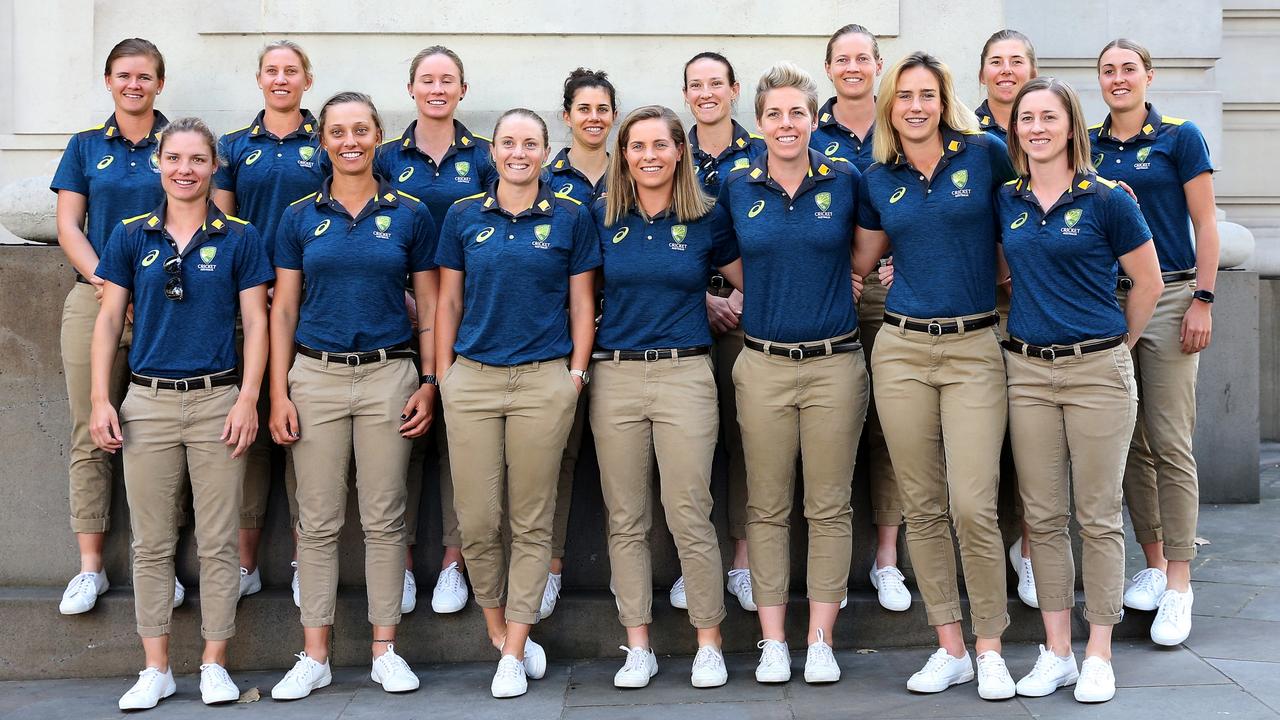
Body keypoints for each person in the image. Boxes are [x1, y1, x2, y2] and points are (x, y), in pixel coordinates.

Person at [88, 116, 273, 709]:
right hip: (147, 402)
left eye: (197, 160)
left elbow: (259, 323)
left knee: (218, 541)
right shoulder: (129, 236)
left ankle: (214, 662)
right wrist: (101, 398)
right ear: (158, 164)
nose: (186, 170)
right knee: (151, 543)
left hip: (218, 399)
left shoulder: (240, 237)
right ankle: (156, 667)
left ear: (214, 165)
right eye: (175, 159)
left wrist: (249, 396)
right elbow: (110, 320)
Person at [853, 51, 1017, 699]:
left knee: (974, 505)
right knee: (922, 506)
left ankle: (992, 647)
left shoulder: (986, 155)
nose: (915, 106)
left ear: (944, 99)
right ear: (890, 105)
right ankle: (950, 647)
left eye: (927, 94)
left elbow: (1021, 236)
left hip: (976, 346)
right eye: (904, 96)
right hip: (901, 353)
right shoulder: (878, 177)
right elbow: (859, 260)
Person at [268, 91, 438, 700]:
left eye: (361, 130)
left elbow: (431, 307)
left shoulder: (411, 213)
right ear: (324, 141)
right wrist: (277, 391)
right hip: (313, 375)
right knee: (315, 521)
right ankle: (314, 653)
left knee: (386, 517)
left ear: (377, 137)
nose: (349, 141)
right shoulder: (297, 217)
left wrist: (429, 379)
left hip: (388, 373)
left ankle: (384, 649)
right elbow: (283, 308)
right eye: (337, 131)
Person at [998, 76, 1163, 704]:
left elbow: (1146, 282)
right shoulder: (1006, 199)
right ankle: (1057, 652)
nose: (1036, 127)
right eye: (1026, 118)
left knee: (1096, 516)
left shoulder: (1107, 199)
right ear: (1015, 131)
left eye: (1048, 117)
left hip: (1098, 370)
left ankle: (1099, 652)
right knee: (1042, 517)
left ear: (1072, 127)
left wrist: (1119, 347)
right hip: (1029, 373)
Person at [434, 108, 600, 698]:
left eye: (530, 143)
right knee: (478, 521)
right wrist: (443, 377)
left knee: (532, 520)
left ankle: (512, 651)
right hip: (472, 380)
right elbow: (446, 305)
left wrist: (575, 375)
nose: (519, 153)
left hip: (542, 382)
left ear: (544, 150)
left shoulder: (571, 218)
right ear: (493, 151)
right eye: (508, 143)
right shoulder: (460, 217)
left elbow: (583, 304)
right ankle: (501, 631)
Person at [721, 62, 868, 685]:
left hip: (836, 364)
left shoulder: (846, 179)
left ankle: (822, 639)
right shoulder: (735, 185)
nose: (786, 124)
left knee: (830, 506)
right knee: (768, 505)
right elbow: (725, 257)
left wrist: (827, 285)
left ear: (814, 119)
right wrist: (779, 290)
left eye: (797, 113)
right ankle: (774, 640)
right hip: (763, 364)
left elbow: (862, 255)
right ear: (759, 122)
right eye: (775, 114)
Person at [591, 105, 741, 689]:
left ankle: (709, 641)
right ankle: (638, 645)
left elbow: (756, 279)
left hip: (685, 375)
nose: (648, 155)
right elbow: (581, 294)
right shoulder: (600, 218)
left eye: (660, 144)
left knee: (689, 513)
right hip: (616, 376)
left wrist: (723, 304)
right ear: (622, 155)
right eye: (637, 146)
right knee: (626, 518)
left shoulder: (706, 217)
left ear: (680, 150)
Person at [1090, 38, 1220, 647]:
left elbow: (1207, 223)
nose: (1119, 80)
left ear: (1149, 76)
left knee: (1169, 439)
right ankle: (1153, 560)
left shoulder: (1180, 137)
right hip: (1106, 299)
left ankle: (1181, 583)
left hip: (1170, 296)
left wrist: (1204, 297)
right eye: (1108, 71)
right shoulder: (1087, 144)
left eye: (1128, 70)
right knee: (1130, 439)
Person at [51, 37, 186, 616]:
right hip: (96, 298)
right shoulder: (85, 147)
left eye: (145, 76)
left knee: (167, 432)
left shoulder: (180, 144)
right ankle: (90, 567)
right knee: (91, 428)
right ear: (109, 81)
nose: (134, 84)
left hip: (171, 304)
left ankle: (165, 567)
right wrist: (112, 285)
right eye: (124, 75)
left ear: (160, 83)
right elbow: (68, 227)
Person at [374, 45, 498, 616]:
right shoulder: (383, 157)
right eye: (427, 79)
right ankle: (397, 562)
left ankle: (455, 561)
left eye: (448, 79)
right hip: (394, 316)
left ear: (463, 90)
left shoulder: (484, 159)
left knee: (461, 444)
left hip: (470, 317)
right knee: (403, 439)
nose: (437, 88)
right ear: (411, 89)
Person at [212, 39, 327, 602]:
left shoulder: (327, 141)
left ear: (308, 79)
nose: (281, 79)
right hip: (251, 299)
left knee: (304, 430)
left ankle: (308, 561)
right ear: (258, 78)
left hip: (316, 297)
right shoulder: (233, 145)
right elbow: (225, 223)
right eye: (271, 71)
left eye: (292, 71)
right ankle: (246, 562)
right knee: (252, 433)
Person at [811, 23, 911, 614]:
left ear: (879, 64)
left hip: (892, 295)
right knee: (833, 424)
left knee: (890, 426)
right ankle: (829, 565)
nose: (853, 67)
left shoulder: (902, 124)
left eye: (863, 58)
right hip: (826, 297)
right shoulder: (807, 129)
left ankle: (887, 559)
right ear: (829, 69)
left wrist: (909, 261)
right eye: (842, 59)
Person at [536, 66, 619, 617]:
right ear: (566, 116)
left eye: (602, 109)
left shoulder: (635, 171)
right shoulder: (543, 181)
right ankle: (549, 568)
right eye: (583, 109)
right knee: (555, 457)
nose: (593, 118)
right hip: (557, 337)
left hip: (627, 332)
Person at [683, 50, 765, 613]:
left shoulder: (762, 155)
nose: (707, 92)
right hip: (680, 317)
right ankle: (694, 565)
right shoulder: (664, 148)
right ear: (686, 94)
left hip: (746, 312)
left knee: (743, 443)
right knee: (685, 448)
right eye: (696, 85)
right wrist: (703, 298)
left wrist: (737, 296)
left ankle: (740, 560)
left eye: (716, 83)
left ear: (734, 89)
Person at [976, 28, 1043, 610]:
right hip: (978, 302)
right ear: (981, 75)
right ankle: (988, 551)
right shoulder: (966, 137)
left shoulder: (1050, 129)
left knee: (1029, 438)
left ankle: (1028, 551)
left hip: (1033, 304)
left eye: (1015, 61)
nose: (1005, 70)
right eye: (995, 62)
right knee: (983, 439)